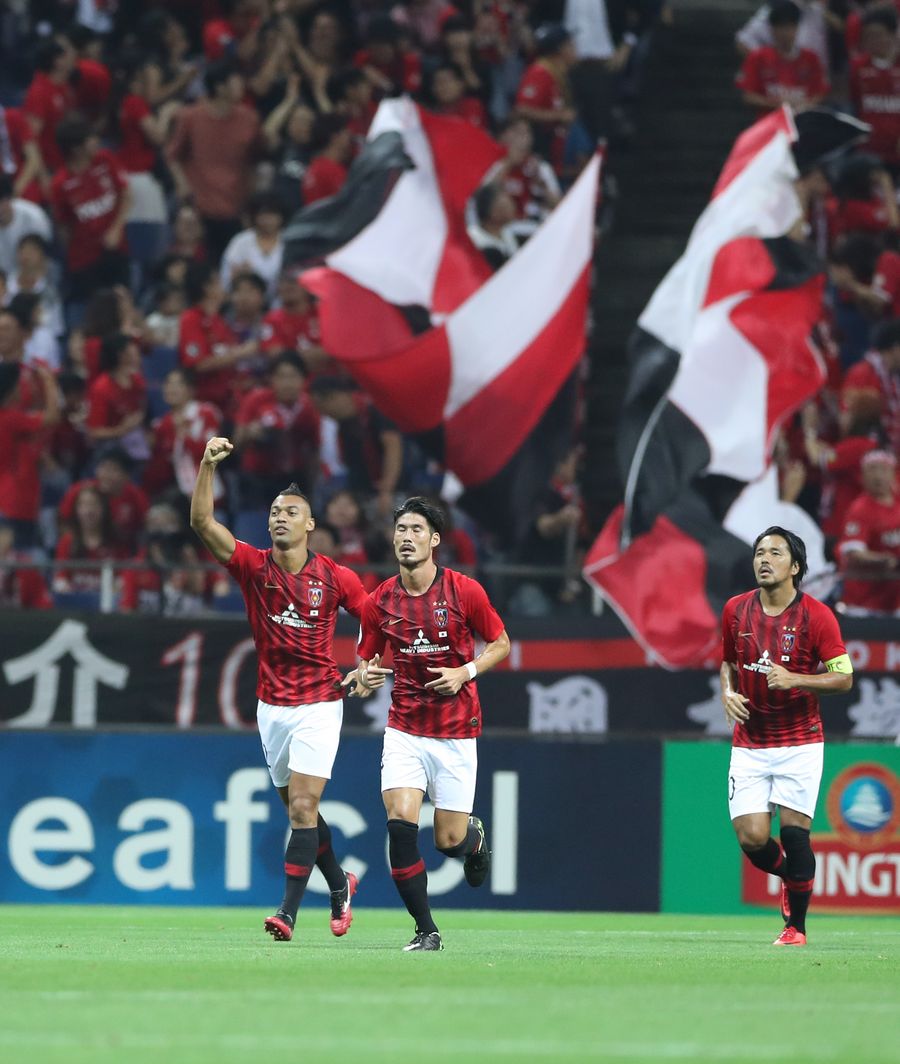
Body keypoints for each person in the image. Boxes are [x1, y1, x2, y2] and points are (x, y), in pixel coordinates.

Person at [190, 436, 376, 944]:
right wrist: (206, 465)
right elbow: (203, 523)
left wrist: (366, 665)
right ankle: (340, 884)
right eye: (275, 511)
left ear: (310, 524)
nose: (280, 517)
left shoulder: (335, 577)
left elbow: (376, 620)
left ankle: (287, 913)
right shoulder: (253, 566)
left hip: (320, 703)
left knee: (301, 808)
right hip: (271, 707)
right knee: (302, 812)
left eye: (291, 512)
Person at [355, 496, 510, 951]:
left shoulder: (464, 591)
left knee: (448, 840)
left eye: (417, 530)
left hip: (456, 731)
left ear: (434, 540)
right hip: (405, 729)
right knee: (400, 824)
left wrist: (466, 672)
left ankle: (473, 841)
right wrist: (365, 675)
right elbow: (365, 660)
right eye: (401, 529)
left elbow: (500, 643)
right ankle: (426, 930)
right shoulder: (379, 600)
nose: (407, 537)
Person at [720, 526, 853, 947]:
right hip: (750, 741)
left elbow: (844, 677)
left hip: (800, 740)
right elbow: (728, 663)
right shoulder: (735, 610)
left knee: (795, 835)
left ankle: (796, 927)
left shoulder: (817, 615)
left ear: (795, 567)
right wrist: (727, 693)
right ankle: (789, 875)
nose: (764, 559)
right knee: (752, 838)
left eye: (775, 553)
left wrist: (796, 678)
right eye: (760, 552)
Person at [837, 449, 900, 613]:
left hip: (894, 600)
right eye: (872, 469)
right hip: (863, 603)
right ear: (863, 476)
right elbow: (854, 553)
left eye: (884, 469)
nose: (878, 476)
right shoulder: (860, 509)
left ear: (893, 474)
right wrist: (885, 559)